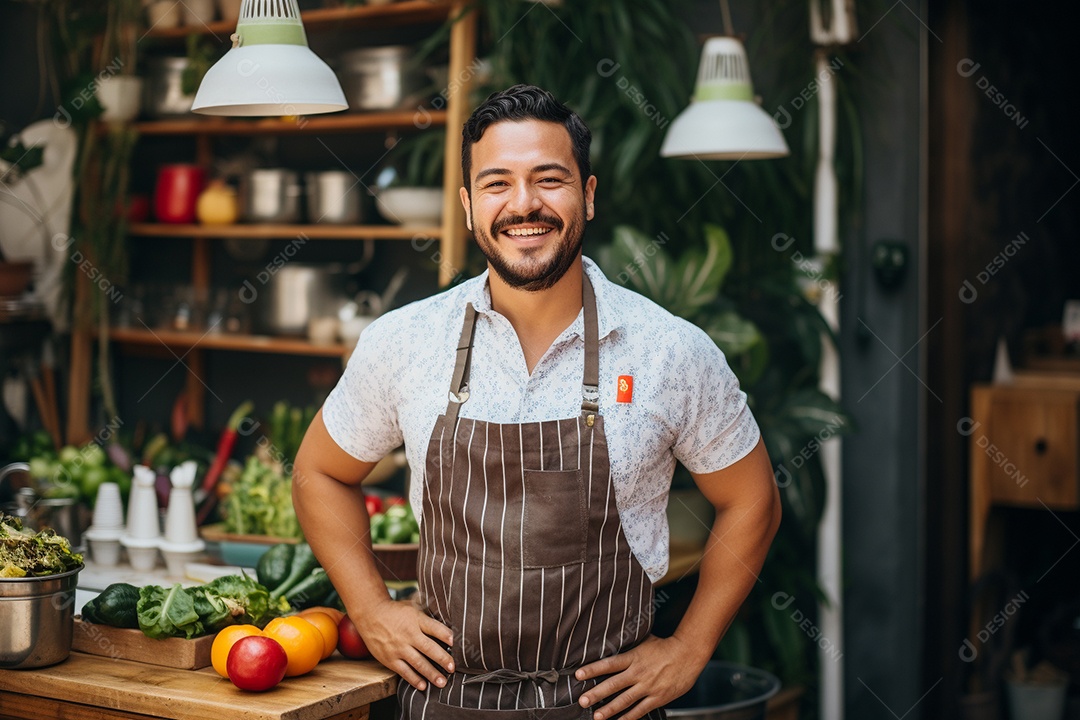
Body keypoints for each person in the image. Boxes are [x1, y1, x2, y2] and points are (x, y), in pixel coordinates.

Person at [294, 84, 781, 720]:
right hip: (446, 703)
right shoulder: (405, 341)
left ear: (589, 194)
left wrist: (688, 648)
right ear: (469, 207)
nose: (523, 205)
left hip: (605, 708)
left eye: (549, 179)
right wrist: (370, 608)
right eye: (497, 184)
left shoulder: (670, 352)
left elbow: (752, 499)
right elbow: (319, 472)